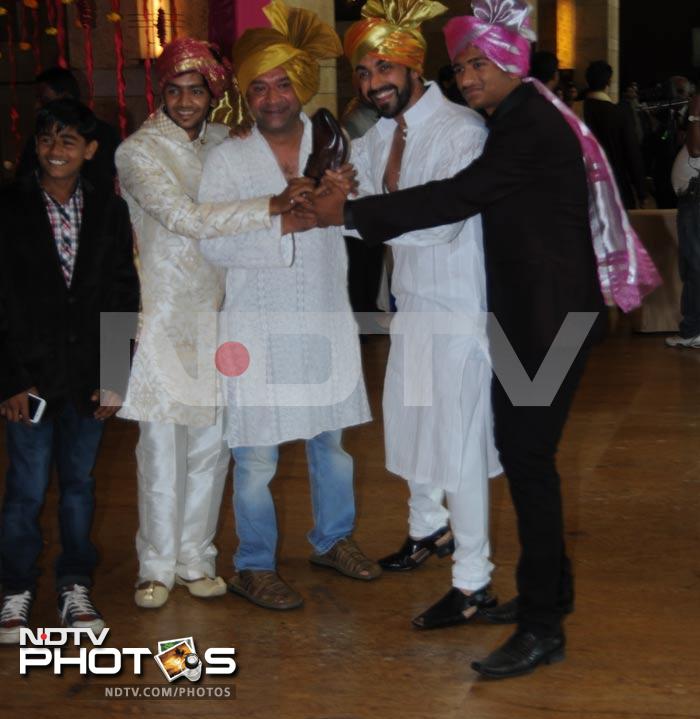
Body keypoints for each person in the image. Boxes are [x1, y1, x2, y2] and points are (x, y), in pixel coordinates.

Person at [313, 0, 660, 678]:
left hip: (551, 321)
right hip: (535, 314)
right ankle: (545, 597)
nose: (468, 78)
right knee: (526, 457)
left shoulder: (523, 126)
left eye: (479, 63)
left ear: (512, 59)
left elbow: (455, 198)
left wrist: (349, 213)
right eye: (461, 65)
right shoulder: (521, 116)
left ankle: (540, 627)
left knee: (528, 462)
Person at [115, 37, 308, 609]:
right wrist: (271, 206)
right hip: (163, 316)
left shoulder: (227, 142)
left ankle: (196, 558)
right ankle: (154, 566)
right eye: (174, 90)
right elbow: (183, 218)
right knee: (159, 449)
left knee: (210, 447)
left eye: (195, 90)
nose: (184, 101)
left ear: (213, 94)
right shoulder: (139, 151)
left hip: (224, 316)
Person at [198, 0, 376, 612]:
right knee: (255, 455)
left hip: (323, 313)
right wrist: (283, 222)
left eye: (281, 83)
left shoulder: (332, 141)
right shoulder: (227, 158)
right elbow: (212, 243)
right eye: (258, 87)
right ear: (245, 95)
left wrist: (343, 200)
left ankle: (333, 540)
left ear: (299, 85)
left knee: (330, 442)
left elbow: (367, 221)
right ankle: (253, 564)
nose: (271, 97)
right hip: (254, 323)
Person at [341, 0, 501, 629]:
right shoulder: (378, 134)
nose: (373, 81)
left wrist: (350, 217)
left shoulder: (461, 131)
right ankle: (427, 531)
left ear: (413, 67)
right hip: (412, 308)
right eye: (361, 71)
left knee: (459, 450)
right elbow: (360, 206)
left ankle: (473, 583)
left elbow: (440, 225)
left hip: (462, 313)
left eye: (384, 67)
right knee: (413, 429)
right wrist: (334, 206)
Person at [0, 99, 140, 643]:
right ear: (35, 147)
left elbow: (121, 293)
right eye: (46, 139)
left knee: (79, 486)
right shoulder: (9, 209)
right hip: (28, 381)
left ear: (90, 150)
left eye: (68, 141)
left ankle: (74, 583)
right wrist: (9, 379)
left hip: (87, 379)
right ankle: (14, 589)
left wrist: (114, 372)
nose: (55, 151)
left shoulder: (109, 210)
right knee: (26, 490)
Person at [15, 67, 120, 192]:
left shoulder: (104, 133)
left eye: (44, 100)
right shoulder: (39, 135)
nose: (37, 106)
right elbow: (24, 182)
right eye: (47, 141)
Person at [583, 60, 647, 210]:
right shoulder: (619, 113)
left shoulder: (576, 110)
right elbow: (632, 153)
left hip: (583, 186)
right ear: (609, 81)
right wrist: (641, 192)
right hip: (614, 183)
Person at [666, 91, 700, 348]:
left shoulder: (696, 118)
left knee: (695, 266)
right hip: (692, 201)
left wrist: (695, 113)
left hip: (695, 202)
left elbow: (695, 148)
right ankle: (690, 331)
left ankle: (693, 330)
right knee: (692, 267)